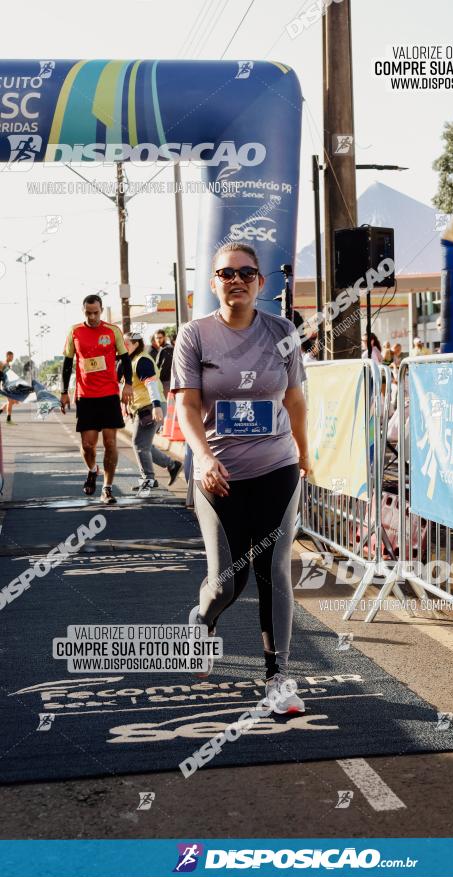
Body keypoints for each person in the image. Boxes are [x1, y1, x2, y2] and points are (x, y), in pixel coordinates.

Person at [172, 242, 310, 714]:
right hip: (219, 475)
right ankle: (204, 621)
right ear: (213, 282)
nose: (237, 280)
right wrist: (203, 457)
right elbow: (187, 405)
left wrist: (305, 454)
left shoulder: (282, 332)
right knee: (228, 582)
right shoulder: (194, 336)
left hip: (276, 468)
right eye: (226, 273)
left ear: (261, 283)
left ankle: (278, 679)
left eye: (247, 272)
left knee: (274, 570)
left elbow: (294, 401)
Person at [61, 294, 133, 504]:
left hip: (109, 394)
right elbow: (67, 362)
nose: (92, 317)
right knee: (88, 445)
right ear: (83, 310)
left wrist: (127, 384)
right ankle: (93, 470)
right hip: (86, 396)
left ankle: (107, 489)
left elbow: (125, 359)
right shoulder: (75, 331)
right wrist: (64, 391)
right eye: (88, 313)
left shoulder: (112, 331)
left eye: (96, 312)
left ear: (101, 310)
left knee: (110, 443)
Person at [123, 330, 181, 497]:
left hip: (150, 406)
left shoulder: (142, 360)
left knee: (139, 444)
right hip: (143, 407)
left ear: (135, 344)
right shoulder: (132, 360)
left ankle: (148, 478)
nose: (122, 347)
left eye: (126, 343)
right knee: (144, 444)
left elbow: (151, 385)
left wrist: (156, 405)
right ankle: (172, 465)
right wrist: (128, 406)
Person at [154, 328, 174, 398]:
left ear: (164, 337)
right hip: (165, 381)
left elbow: (164, 367)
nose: (158, 340)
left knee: (166, 405)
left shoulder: (167, 349)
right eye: (156, 338)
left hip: (166, 382)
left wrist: (157, 380)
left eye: (160, 338)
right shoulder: (163, 348)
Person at [0, 352, 17, 423]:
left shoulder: (8, 365)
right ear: (7, 356)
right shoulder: (4, 364)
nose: (12, 358)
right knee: (10, 401)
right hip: (6, 386)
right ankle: (8, 419)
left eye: (13, 357)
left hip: (9, 385)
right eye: (11, 357)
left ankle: (0, 411)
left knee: (14, 401)